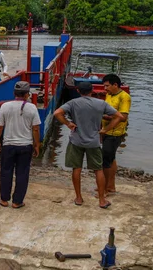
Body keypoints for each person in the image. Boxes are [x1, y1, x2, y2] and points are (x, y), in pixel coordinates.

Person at [53, 81, 125, 209]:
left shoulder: (73, 103)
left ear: (78, 91)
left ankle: (79, 198)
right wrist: (106, 130)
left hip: (76, 140)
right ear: (92, 90)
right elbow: (119, 116)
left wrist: (68, 124)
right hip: (94, 141)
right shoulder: (101, 103)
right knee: (98, 169)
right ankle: (102, 200)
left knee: (77, 168)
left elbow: (57, 113)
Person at [0, 81, 41, 208]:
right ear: (27, 94)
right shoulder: (32, 108)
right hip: (25, 145)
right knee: (22, 173)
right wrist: (37, 145)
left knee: (6, 172)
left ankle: (4, 199)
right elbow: (35, 129)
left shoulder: (5, 106)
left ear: (14, 93)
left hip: (8, 145)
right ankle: (17, 201)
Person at [101, 74, 131, 196]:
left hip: (115, 133)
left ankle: (105, 189)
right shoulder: (109, 95)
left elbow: (122, 117)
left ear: (115, 85)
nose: (105, 88)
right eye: (104, 86)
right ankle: (110, 186)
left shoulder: (125, 97)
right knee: (111, 158)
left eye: (107, 86)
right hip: (106, 132)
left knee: (105, 160)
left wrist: (106, 125)